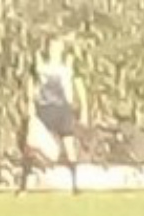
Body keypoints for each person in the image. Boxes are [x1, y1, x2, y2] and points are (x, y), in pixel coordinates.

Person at [20, 36, 88, 195]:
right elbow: (30, 81)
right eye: (51, 47)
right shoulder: (39, 62)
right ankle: (23, 187)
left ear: (62, 49)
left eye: (57, 47)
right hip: (43, 109)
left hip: (63, 109)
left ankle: (75, 187)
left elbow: (79, 85)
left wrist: (84, 108)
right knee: (30, 144)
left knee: (69, 147)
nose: (54, 50)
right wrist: (30, 102)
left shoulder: (69, 63)